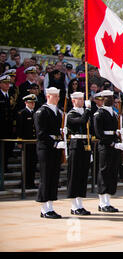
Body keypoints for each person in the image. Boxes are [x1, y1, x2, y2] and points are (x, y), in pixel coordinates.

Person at [34, 87, 65, 219]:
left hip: (56, 148)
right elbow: (41, 133)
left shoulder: (58, 113)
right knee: (46, 177)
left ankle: (50, 206)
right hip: (46, 148)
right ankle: (44, 208)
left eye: (58, 96)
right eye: (54, 96)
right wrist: (54, 142)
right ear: (48, 96)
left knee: (53, 177)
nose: (57, 98)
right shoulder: (42, 112)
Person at [93, 90, 123, 212]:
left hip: (114, 145)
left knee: (112, 172)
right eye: (108, 97)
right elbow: (99, 133)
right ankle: (102, 202)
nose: (111, 99)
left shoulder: (115, 114)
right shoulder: (99, 114)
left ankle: (108, 200)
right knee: (104, 172)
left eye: (111, 97)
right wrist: (112, 143)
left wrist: (118, 134)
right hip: (106, 146)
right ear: (103, 99)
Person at [66, 92, 92, 215]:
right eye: (79, 99)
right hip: (75, 144)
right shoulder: (70, 114)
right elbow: (81, 121)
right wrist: (88, 110)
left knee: (83, 175)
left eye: (82, 99)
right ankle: (74, 205)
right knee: (75, 175)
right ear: (73, 101)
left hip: (85, 144)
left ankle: (80, 203)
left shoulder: (85, 113)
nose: (81, 101)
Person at [16, 94, 38, 189]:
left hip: (34, 142)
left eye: (33, 102)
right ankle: (24, 183)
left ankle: (31, 182)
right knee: (26, 163)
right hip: (25, 142)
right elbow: (19, 128)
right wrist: (19, 141)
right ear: (26, 103)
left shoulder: (36, 113)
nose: (32, 104)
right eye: (30, 102)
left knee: (33, 163)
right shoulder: (22, 113)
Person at [0, 75, 15, 174]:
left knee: (7, 148)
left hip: (8, 126)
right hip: (1, 126)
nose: (7, 85)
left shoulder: (10, 95)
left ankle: (5, 166)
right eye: (5, 83)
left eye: (8, 83)